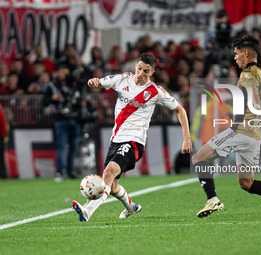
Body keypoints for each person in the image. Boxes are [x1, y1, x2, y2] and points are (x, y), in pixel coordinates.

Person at [192, 35, 261, 219]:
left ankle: (212, 199)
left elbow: (253, 99)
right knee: (247, 183)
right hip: (254, 135)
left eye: (236, 54)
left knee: (198, 158)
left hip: (240, 130)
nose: (235, 58)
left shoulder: (247, 74)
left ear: (245, 53)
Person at [72, 53, 192, 221]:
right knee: (113, 186)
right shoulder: (122, 79)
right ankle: (131, 208)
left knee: (108, 173)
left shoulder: (155, 91)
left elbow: (180, 110)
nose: (141, 74)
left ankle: (87, 211)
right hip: (116, 140)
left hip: (134, 142)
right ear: (135, 65)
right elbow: (100, 82)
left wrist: (187, 138)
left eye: (146, 71)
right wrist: (95, 82)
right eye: (139, 69)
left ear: (152, 72)